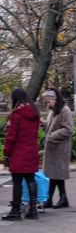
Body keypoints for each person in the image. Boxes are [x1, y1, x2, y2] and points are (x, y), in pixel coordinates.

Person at [2, 88, 40, 220]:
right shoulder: (35, 113)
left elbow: (11, 136)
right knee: (31, 178)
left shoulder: (15, 115)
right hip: (31, 150)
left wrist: (6, 153)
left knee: (17, 182)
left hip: (18, 152)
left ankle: (16, 211)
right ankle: (33, 209)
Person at [41, 88, 73, 209]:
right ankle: (54, 199)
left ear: (54, 99)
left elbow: (68, 129)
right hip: (53, 147)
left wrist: (52, 136)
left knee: (57, 174)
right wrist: (44, 124)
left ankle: (60, 199)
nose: (46, 104)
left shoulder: (64, 110)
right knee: (54, 175)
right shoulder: (53, 111)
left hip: (60, 148)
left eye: (48, 101)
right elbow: (53, 126)